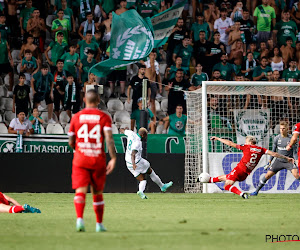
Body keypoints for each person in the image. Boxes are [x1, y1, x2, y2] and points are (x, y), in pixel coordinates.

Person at [68, 89, 117, 232]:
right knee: (97, 192)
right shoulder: (104, 117)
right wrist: (113, 158)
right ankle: (99, 224)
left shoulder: (76, 117)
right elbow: (109, 139)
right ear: (98, 101)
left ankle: (79, 221)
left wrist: (78, 149)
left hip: (80, 159)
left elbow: (71, 141)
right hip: (97, 159)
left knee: (80, 191)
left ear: (84, 100)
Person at [198, 136, 294, 199]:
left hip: (239, 169)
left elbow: (230, 143)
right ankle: (204, 179)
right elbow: (274, 154)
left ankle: (242, 194)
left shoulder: (246, 147)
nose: (245, 142)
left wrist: (218, 139)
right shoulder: (261, 150)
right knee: (223, 177)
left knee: (226, 186)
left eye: (246, 141)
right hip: (245, 174)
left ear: (250, 142)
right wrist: (286, 158)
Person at [251, 121, 299, 196]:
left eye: (283, 128)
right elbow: (273, 151)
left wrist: (297, 161)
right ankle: (256, 191)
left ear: (287, 129)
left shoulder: (291, 139)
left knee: (297, 175)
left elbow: (295, 152)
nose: (282, 130)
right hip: (278, 161)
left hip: (289, 161)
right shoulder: (276, 138)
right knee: (267, 176)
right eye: (280, 128)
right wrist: (270, 161)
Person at [124, 128, 173, 199]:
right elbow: (133, 154)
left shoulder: (131, 133)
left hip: (128, 163)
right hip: (136, 162)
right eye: (146, 135)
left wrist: (124, 129)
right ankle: (162, 186)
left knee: (142, 180)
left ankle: (141, 192)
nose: (146, 137)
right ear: (143, 135)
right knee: (150, 171)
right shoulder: (138, 143)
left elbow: (123, 130)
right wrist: (134, 164)